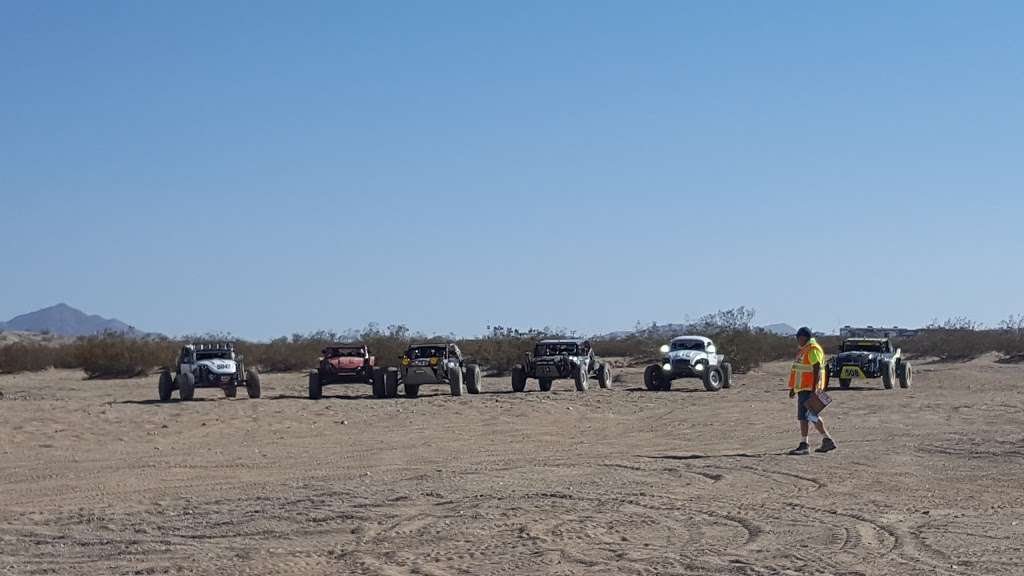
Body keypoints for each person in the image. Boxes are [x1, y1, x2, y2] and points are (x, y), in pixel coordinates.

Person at [788, 327, 837, 455]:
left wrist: (814, 388)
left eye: (798, 337)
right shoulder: (805, 350)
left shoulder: (812, 349)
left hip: (809, 389)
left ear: (803, 337)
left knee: (806, 416)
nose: (797, 340)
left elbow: (816, 368)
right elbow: (799, 370)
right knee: (809, 415)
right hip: (803, 388)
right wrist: (794, 388)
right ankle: (826, 440)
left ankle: (805, 444)